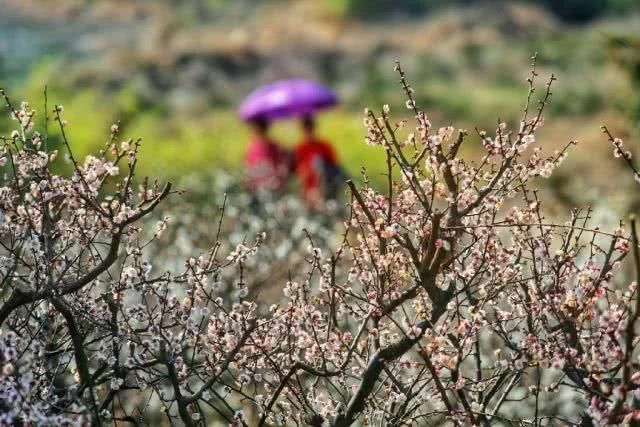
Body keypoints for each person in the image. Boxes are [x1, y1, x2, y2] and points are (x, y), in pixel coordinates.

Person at [294, 116, 343, 206]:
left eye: (310, 128)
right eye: (306, 129)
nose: (308, 132)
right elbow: (299, 171)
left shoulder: (324, 146)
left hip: (326, 188)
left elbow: (335, 166)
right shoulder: (300, 148)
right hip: (309, 189)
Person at [245, 118, 291, 192]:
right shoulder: (253, 146)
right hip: (261, 187)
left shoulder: (272, 145)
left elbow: (281, 165)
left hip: (272, 186)